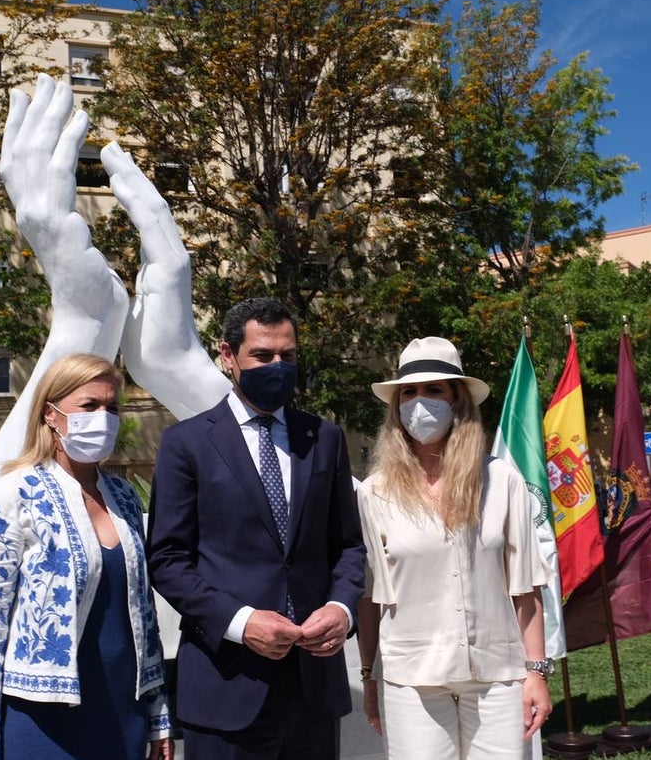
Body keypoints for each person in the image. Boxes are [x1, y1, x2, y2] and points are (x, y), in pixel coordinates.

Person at [147, 296, 366, 760]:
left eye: (287, 355)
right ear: (229, 356)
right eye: (263, 356)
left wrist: (341, 609)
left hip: (313, 687)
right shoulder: (186, 443)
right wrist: (240, 623)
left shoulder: (324, 438)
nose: (277, 366)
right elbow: (167, 560)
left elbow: (348, 546)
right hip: (227, 683)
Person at [0, 353, 172, 760]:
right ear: (50, 414)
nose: (104, 418)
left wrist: (158, 713)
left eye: (112, 408)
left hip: (124, 711)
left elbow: (143, 615)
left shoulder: (124, 497)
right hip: (45, 721)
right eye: (89, 406)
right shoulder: (10, 496)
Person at [356, 337, 552, 760]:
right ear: (395, 406)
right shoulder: (375, 493)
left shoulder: (501, 480)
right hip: (412, 678)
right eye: (409, 392)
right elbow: (370, 597)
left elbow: (526, 588)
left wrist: (536, 673)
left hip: (498, 675)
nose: (420, 402)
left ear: (458, 400)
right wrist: (369, 675)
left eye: (434, 390)